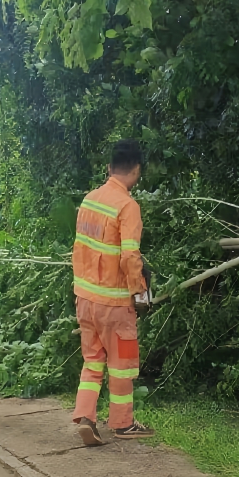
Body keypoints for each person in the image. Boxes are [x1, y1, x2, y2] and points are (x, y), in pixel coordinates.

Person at [71, 139, 155, 444]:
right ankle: (123, 424)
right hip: (115, 303)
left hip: (85, 299)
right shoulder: (127, 206)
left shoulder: (90, 200)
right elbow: (130, 256)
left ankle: (85, 418)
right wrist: (141, 293)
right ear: (136, 171)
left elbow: (80, 249)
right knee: (123, 366)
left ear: (109, 168)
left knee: (92, 362)